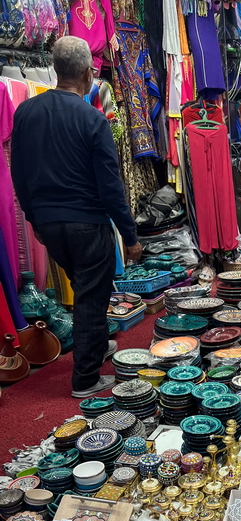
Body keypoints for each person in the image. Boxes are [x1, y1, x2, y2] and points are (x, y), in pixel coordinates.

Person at [11, 35, 142, 399]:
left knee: (87, 288)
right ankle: (85, 379)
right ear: (87, 73)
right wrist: (130, 236)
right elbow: (110, 185)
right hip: (87, 221)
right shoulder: (91, 118)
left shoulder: (27, 112)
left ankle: (96, 348)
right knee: (90, 296)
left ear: (56, 69)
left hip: (50, 224)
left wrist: (36, 218)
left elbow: (18, 172)